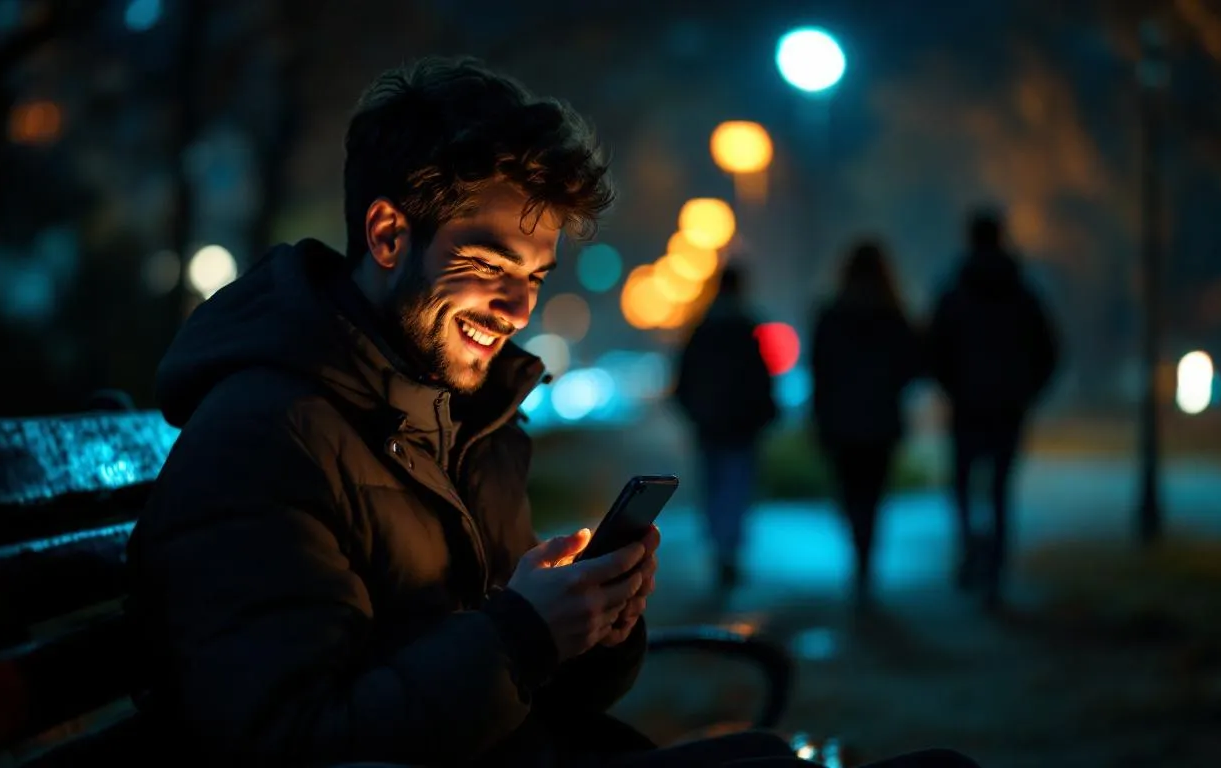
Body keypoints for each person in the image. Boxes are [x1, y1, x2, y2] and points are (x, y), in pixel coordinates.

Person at [127, 56, 979, 768]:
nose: (517, 308)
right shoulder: (264, 441)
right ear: (389, 236)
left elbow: (515, 681)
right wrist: (525, 635)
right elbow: (294, 743)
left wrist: (594, 621)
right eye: (491, 263)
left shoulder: (463, 421)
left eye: (533, 277)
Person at [927, 209, 1059, 608]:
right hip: (1007, 406)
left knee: (964, 488)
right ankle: (995, 571)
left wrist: (951, 386)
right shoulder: (1023, 294)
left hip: (967, 405)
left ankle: (971, 552)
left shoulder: (955, 293)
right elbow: (1048, 349)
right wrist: (1027, 389)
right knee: (1000, 492)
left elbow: (935, 348)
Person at [809, 240, 921, 608]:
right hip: (879, 421)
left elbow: (820, 370)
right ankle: (866, 558)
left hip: (842, 422)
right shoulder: (893, 315)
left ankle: (859, 552)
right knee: (873, 494)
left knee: (850, 492)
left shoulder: (832, 314)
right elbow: (912, 364)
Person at [673, 264, 778, 592]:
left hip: (710, 425)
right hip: (741, 425)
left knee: (714, 485)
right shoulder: (747, 328)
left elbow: (683, 380)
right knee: (737, 485)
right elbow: (761, 379)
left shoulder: (701, 329)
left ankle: (719, 547)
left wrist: (695, 411)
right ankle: (729, 548)